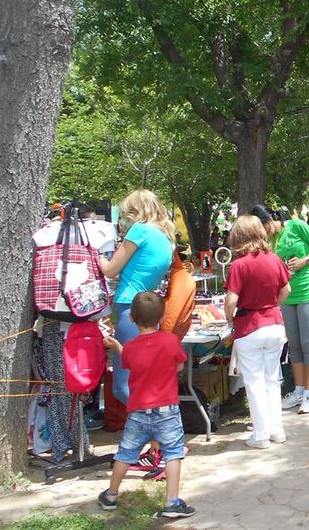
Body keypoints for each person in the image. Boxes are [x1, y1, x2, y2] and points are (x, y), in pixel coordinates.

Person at [98, 292, 194, 519]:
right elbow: (179, 366)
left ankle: (111, 494)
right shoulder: (170, 340)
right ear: (161, 317)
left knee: (125, 453)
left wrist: (117, 347)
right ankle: (171, 502)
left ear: (131, 318)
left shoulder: (131, 347)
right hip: (167, 410)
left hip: (138, 411)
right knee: (173, 453)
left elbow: (131, 362)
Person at [99, 190, 175, 409]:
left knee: (124, 385)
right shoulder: (164, 236)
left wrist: (98, 255)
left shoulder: (139, 230)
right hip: (148, 309)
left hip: (129, 308)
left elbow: (111, 270)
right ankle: (159, 428)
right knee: (147, 379)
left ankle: (153, 425)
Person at [252, 206, 309, 415]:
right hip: (286, 294)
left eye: (263, 226)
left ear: (269, 219)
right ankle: (299, 389)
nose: (263, 232)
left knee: (308, 343)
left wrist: (305, 260)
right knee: (293, 344)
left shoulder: (296, 226)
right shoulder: (267, 242)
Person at [224, 216, 292, 448]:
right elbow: (286, 290)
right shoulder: (274, 259)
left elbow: (231, 300)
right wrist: (272, 303)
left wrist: (229, 317)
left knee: (254, 383)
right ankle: (277, 431)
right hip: (274, 324)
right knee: (272, 380)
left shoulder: (239, 265)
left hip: (249, 326)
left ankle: (261, 435)